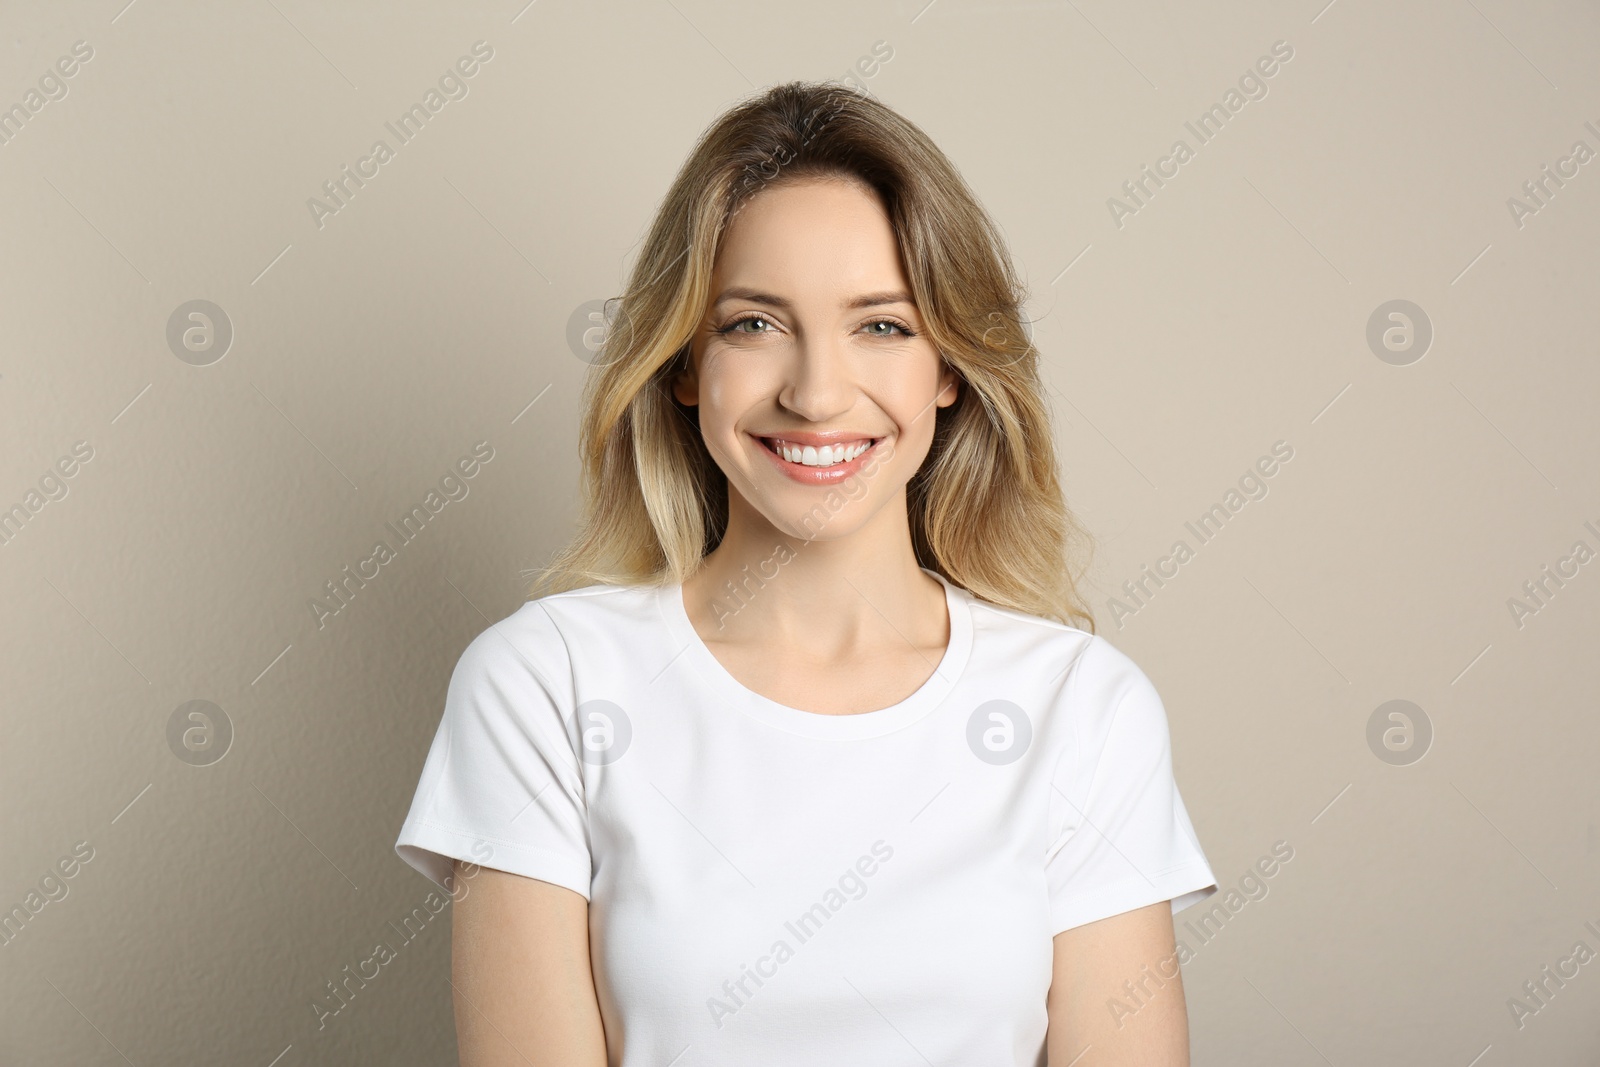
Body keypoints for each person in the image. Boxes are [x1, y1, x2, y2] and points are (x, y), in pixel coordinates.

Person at [395, 79, 1218, 1066]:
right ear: (684, 363)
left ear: (948, 368)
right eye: (754, 323)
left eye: (882, 324)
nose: (817, 392)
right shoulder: (545, 684)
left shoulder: (1081, 707)